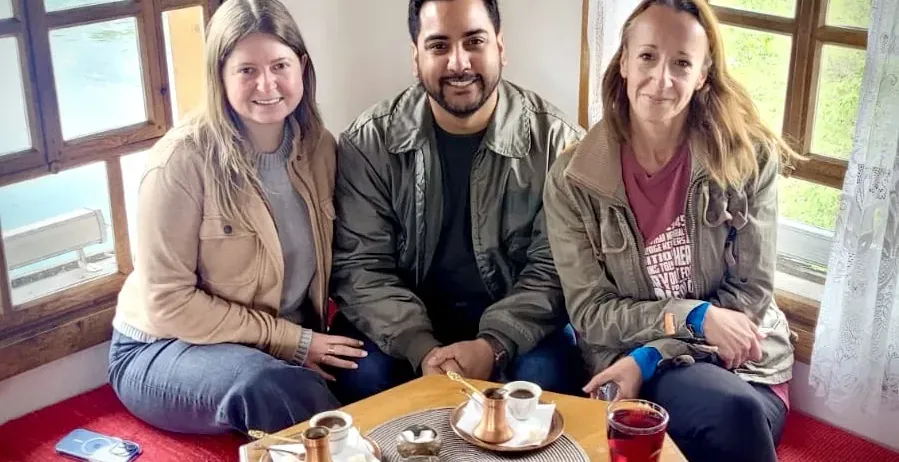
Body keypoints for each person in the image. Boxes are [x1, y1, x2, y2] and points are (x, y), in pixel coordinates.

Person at [543, 1, 801, 461]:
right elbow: (591, 313)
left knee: (734, 413)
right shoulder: (572, 178)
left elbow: (752, 293)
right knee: (720, 417)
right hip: (628, 364)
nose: (661, 79)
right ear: (623, 61)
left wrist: (652, 353)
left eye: (681, 63)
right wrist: (693, 318)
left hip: (747, 367)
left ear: (703, 74)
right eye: (647, 56)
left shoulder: (748, 157)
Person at [106, 0, 366, 435]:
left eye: (280, 65)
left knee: (375, 372)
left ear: (301, 66)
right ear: (219, 76)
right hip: (163, 348)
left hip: (273, 342)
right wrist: (293, 342)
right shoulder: (179, 163)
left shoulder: (320, 146)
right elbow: (169, 304)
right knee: (268, 386)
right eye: (246, 70)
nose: (267, 84)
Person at [327, 0, 586, 404]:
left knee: (543, 378)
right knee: (361, 375)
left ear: (500, 47)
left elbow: (555, 269)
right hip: (401, 323)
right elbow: (361, 266)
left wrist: (493, 344)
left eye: (474, 41)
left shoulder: (557, 143)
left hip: (518, 321)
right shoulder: (369, 142)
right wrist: (420, 347)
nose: (458, 63)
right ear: (416, 57)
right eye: (438, 46)